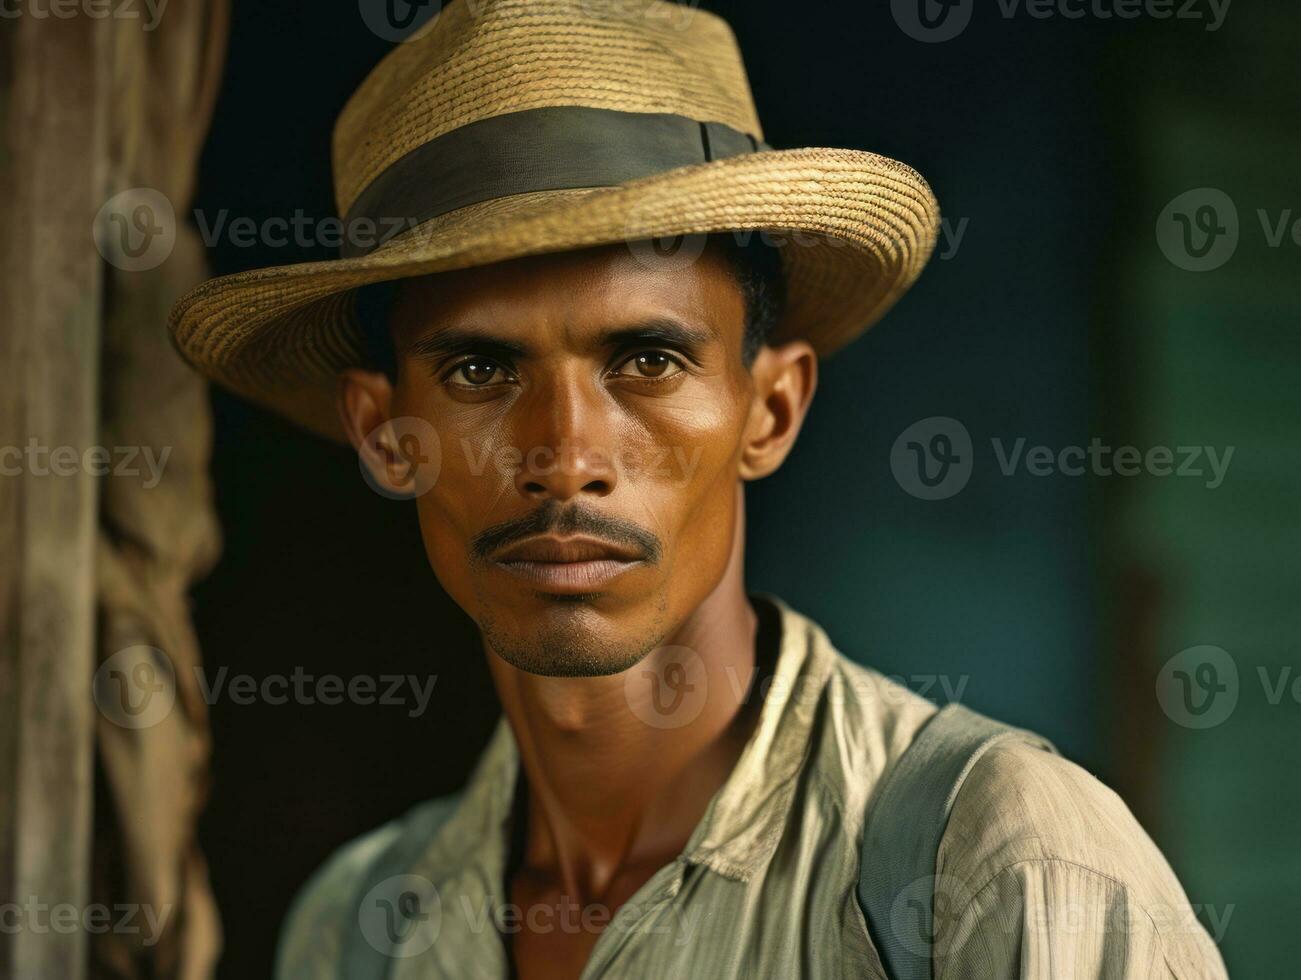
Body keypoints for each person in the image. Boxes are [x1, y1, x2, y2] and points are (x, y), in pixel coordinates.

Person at [169, 1, 1228, 977]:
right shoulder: (360, 931)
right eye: (480, 370)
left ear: (768, 409)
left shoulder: (999, 860)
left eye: (645, 359)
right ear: (385, 434)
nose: (563, 453)